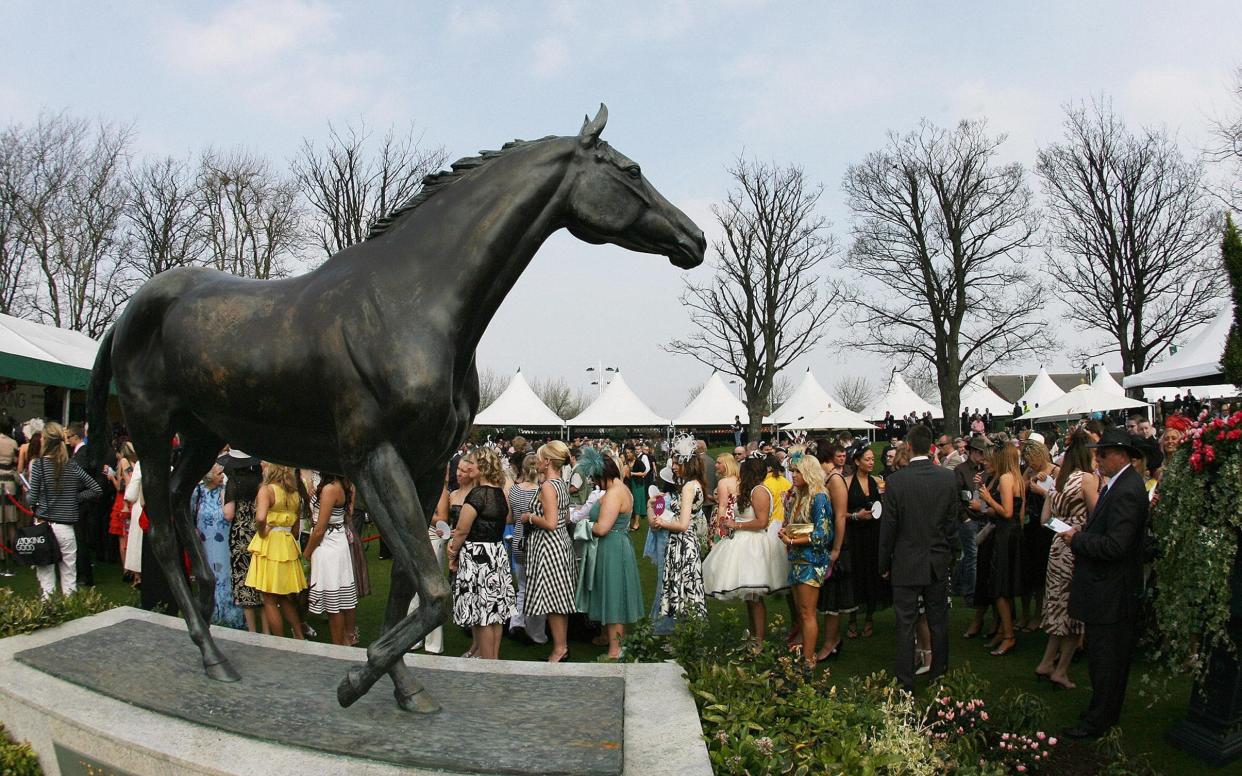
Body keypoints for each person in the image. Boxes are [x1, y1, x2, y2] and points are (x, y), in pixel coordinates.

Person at [1060, 429, 1150, 739]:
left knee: (1106, 661)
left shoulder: (1126, 489)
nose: (1098, 459)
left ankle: (1099, 720)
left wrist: (1078, 539)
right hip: (1108, 590)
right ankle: (1102, 715)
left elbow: (1116, 546)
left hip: (1112, 592)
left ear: (1123, 456)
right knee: (1105, 660)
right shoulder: (1120, 485)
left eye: (1104, 453)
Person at [878, 424, 956, 692]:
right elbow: (951, 523)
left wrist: (884, 562)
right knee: (938, 621)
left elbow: (889, 528)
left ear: (908, 447)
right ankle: (939, 677)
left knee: (906, 623)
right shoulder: (946, 478)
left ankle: (905, 681)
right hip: (935, 558)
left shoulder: (897, 481)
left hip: (906, 560)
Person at [701, 455, 790, 642]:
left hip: (754, 545)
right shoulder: (749, 491)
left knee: (755, 597)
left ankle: (759, 640)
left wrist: (736, 525)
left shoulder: (759, 491)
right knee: (750, 598)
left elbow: (762, 522)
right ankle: (753, 636)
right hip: (743, 542)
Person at [1035, 431, 1099, 690]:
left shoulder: (1058, 480)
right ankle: (1060, 670)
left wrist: (1064, 530)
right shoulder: (1087, 480)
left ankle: (1046, 662)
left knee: (1057, 605)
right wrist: (1076, 530)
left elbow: (1044, 520)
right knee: (1073, 609)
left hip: (1057, 548)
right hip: (1076, 549)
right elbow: (1097, 515)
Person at [448, 448, 515, 660]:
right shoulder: (499, 493)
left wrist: (452, 552)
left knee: (483, 615)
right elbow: (508, 519)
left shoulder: (478, 495)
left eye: (473, 463)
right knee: (494, 613)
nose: (468, 466)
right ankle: (493, 659)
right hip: (496, 553)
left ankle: (487, 665)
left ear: (483, 467)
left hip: (478, 556)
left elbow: (462, 529)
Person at [575, 449, 644, 660]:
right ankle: (607, 637)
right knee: (607, 590)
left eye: (597, 479)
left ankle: (616, 649)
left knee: (614, 594)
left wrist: (581, 525)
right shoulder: (618, 489)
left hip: (612, 546)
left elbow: (602, 528)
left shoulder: (614, 493)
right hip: (612, 545)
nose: (596, 484)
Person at [26, 422, 102, 597]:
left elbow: (33, 498)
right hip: (66, 528)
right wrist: (74, 499)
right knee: (69, 577)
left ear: (45, 440)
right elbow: (95, 489)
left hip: (45, 526)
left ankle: (49, 614)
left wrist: (30, 495)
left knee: (46, 579)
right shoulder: (72, 465)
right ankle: (71, 615)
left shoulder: (39, 465)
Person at [520, 440, 577, 662]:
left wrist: (529, 517)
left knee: (553, 600)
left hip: (549, 547)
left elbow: (551, 522)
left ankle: (560, 648)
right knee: (558, 599)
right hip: (560, 543)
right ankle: (561, 646)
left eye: (541, 458)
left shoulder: (548, 486)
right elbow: (564, 517)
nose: (538, 462)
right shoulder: (561, 483)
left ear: (547, 462)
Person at [778, 455, 832, 666]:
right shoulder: (799, 496)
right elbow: (797, 526)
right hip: (796, 558)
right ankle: (804, 651)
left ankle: (809, 660)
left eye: (798, 471)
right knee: (800, 611)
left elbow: (822, 535)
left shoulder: (819, 497)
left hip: (811, 560)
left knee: (808, 612)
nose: (794, 475)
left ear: (809, 472)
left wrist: (792, 541)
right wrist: (787, 532)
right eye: (793, 471)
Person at [245, 463, 308, 639]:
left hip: (270, 543)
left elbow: (260, 517)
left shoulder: (266, 489)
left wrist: (262, 530)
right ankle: (298, 635)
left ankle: (278, 640)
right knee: (283, 596)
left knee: (269, 599)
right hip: (287, 544)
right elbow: (296, 531)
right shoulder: (295, 493)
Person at [975, 443, 1024, 656]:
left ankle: (1008, 635)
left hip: (1004, 534)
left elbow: (1006, 511)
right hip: (1013, 533)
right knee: (1005, 585)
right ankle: (1004, 630)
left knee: (1000, 587)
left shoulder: (1006, 478)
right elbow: (1018, 514)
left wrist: (987, 500)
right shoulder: (1018, 478)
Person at [655, 447, 707, 627]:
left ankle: (686, 643)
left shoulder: (688, 487)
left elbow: (682, 524)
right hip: (687, 542)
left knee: (683, 587)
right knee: (687, 588)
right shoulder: (697, 483)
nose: (674, 467)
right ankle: (685, 639)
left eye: (677, 463)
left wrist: (662, 523)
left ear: (687, 463)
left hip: (682, 544)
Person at [304, 473, 358, 646]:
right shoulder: (344, 484)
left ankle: (339, 646)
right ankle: (348, 638)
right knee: (343, 596)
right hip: (337, 541)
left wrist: (305, 555)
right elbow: (348, 513)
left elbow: (320, 529)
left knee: (333, 602)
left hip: (328, 546)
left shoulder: (330, 488)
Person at [192, 463, 244, 629]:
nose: (222, 476)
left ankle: (229, 614)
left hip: (223, 538)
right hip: (204, 538)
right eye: (219, 473)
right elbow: (189, 511)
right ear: (209, 476)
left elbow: (229, 514)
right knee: (207, 571)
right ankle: (210, 611)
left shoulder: (225, 489)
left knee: (224, 573)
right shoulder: (199, 490)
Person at [845, 446, 889, 639]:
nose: (871, 462)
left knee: (872, 575)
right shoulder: (846, 483)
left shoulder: (878, 482)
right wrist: (855, 516)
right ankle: (852, 618)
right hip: (854, 535)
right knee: (854, 575)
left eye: (873, 459)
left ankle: (869, 617)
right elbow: (839, 513)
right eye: (867, 459)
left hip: (874, 534)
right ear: (857, 461)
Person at [222, 450, 265, 633]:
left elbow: (228, 513)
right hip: (259, 532)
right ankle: (267, 629)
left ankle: (252, 630)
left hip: (240, 533)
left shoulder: (233, 482)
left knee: (243, 578)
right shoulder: (260, 480)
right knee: (260, 579)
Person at [507, 452, 547, 644]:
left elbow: (510, 518)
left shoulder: (514, 491)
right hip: (535, 540)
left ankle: (517, 621)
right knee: (537, 586)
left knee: (522, 585)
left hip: (517, 538)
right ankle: (536, 631)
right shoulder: (541, 491)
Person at [1019, 441, 1057, 632]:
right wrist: (1029, 482)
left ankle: (1039, 613)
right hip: (1028, 526)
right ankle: (1025, 613)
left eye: (1032, 460)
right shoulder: (1028, 472)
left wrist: (1041, 490)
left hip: (1045, 528)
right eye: (1027, 461)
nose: (1030, 464)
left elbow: (1058, 498)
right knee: (1026, 572)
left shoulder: (1055, 470)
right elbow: (1019, 490)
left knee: (1040, 573)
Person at [954, 436, 990, 606]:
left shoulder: (985, 470)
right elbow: (956, 497)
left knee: (976, 557)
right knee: (972, 557)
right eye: (981, 453)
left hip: (983, 517)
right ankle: (971, 595)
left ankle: (973, 591)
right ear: (973, 452)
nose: (983, 456)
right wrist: (965, 518)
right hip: (969, 519)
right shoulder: (961, 469)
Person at [0, 426, 22, 577]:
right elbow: (15, 462)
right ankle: (15, 550)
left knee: (0, 521)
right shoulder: (13, 442)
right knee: (12, 520)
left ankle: (2, 553)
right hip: (10, 483)